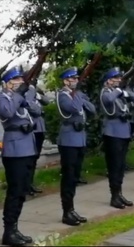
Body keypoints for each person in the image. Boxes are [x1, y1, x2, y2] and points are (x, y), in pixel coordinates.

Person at [0, 67, 35, 246]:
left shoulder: (21, 97)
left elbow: (37, 110)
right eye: (16, 80)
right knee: (14, 191)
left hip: (28, 148)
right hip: (15, 149)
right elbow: (7, 113)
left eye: (21, 80)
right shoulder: (2, 97)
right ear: (8, 83)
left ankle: (15, 228)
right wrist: (19, 96)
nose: (20, 82)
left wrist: (29, 96)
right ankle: (8, 231)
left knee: (22, 192)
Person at [56, 67, 95, 226]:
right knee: (68, 176)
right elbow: (72, 108)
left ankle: (72, 209)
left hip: (80, 139)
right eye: (72, 79)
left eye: (76, 79)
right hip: (68, 139)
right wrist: (78, 96)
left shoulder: (75, 95)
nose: (75, 81)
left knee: (75, 177)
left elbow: (92, 110)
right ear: (65, 81)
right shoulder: (62, 95)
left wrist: (80, 96)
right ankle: (67, 211)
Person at [99, 67, 134, 209]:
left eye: (120, 78)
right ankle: (114, 196)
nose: (119, 80)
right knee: (114, 165)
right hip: (112, 133)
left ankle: (119, 193)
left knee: (120, 166)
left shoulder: (118, 93)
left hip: (123, 131)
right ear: (108, 81)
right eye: (116, 78)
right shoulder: (105, 92)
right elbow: (108, 101)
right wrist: (119, 91)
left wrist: (126, 91)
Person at [27, 81, 48, 197]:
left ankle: (31, 182)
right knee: (30, 159)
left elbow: (46, 101)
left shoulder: (35, 93)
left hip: (40, 129)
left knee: (35, 158)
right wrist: (31, 91)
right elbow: (34, 110)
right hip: (32, 130)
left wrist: (38, 94)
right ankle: (26, 185)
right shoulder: (26, 94)